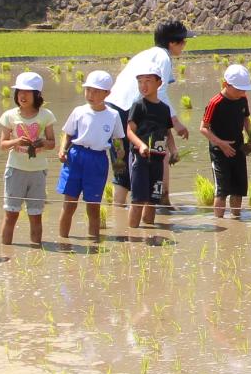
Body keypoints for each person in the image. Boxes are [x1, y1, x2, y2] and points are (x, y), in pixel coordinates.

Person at [109, 20, 188, 209]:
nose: (185, 45)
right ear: (172, 42)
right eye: (183, 41)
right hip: (131, 111)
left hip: (112, 108)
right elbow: (159, 93)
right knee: (149, 157)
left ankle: (118, 214)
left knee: (121, 165)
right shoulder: (163, 57)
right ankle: (159, 203)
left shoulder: (145, 54)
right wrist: (175, 122)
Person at [57, 70, 121, 241]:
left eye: (96, 91)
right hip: (76, 157)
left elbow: (117, 140)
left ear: (107, 93)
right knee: (69, 203)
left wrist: (121, 159)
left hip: (98, 159)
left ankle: (94, 243)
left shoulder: (113, 115)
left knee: (93, 206)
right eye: (88, 90)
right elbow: (67, 133)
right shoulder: (79, 111)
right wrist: (62, 149)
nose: (90, 95)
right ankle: (63, 241)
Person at [0, 71, 56, 245]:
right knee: (11, 215)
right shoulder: (9, 116)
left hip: (37, 171)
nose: (22, 95)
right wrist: (16, 141)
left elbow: (52, 143)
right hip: (15, 170)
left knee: (36, 215)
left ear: (37, 94)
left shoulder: (46, 115)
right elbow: (2, 144)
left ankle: (36, 252)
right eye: (19, 92)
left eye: (27, 92)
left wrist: (42, 142)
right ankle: (6, 253)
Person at [200, 65, 251, 219]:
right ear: (226, 84)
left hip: (238, 148)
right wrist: (221, 143)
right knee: (222, 189)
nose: (242, 92)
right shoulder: (215, 103)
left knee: (239, 189)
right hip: (219, 151)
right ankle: (219, 222)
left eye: (244, 89)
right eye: (238, 89)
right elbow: (203, 128)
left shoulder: (243, 98)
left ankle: (236, 221)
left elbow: (246, 119)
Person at [124, 68, 177, 230]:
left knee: (153, 199)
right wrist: (141, 145)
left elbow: (167, 131)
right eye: (140, 81)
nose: (143, 85)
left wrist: (173, 149)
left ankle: (149, 234)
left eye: (148, 81)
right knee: (138, 199)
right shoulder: (138, 106)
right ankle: (133, 236)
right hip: (140, 159)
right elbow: (129, 131)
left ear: (159, 83)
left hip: (158, 159)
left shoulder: (164, 109)